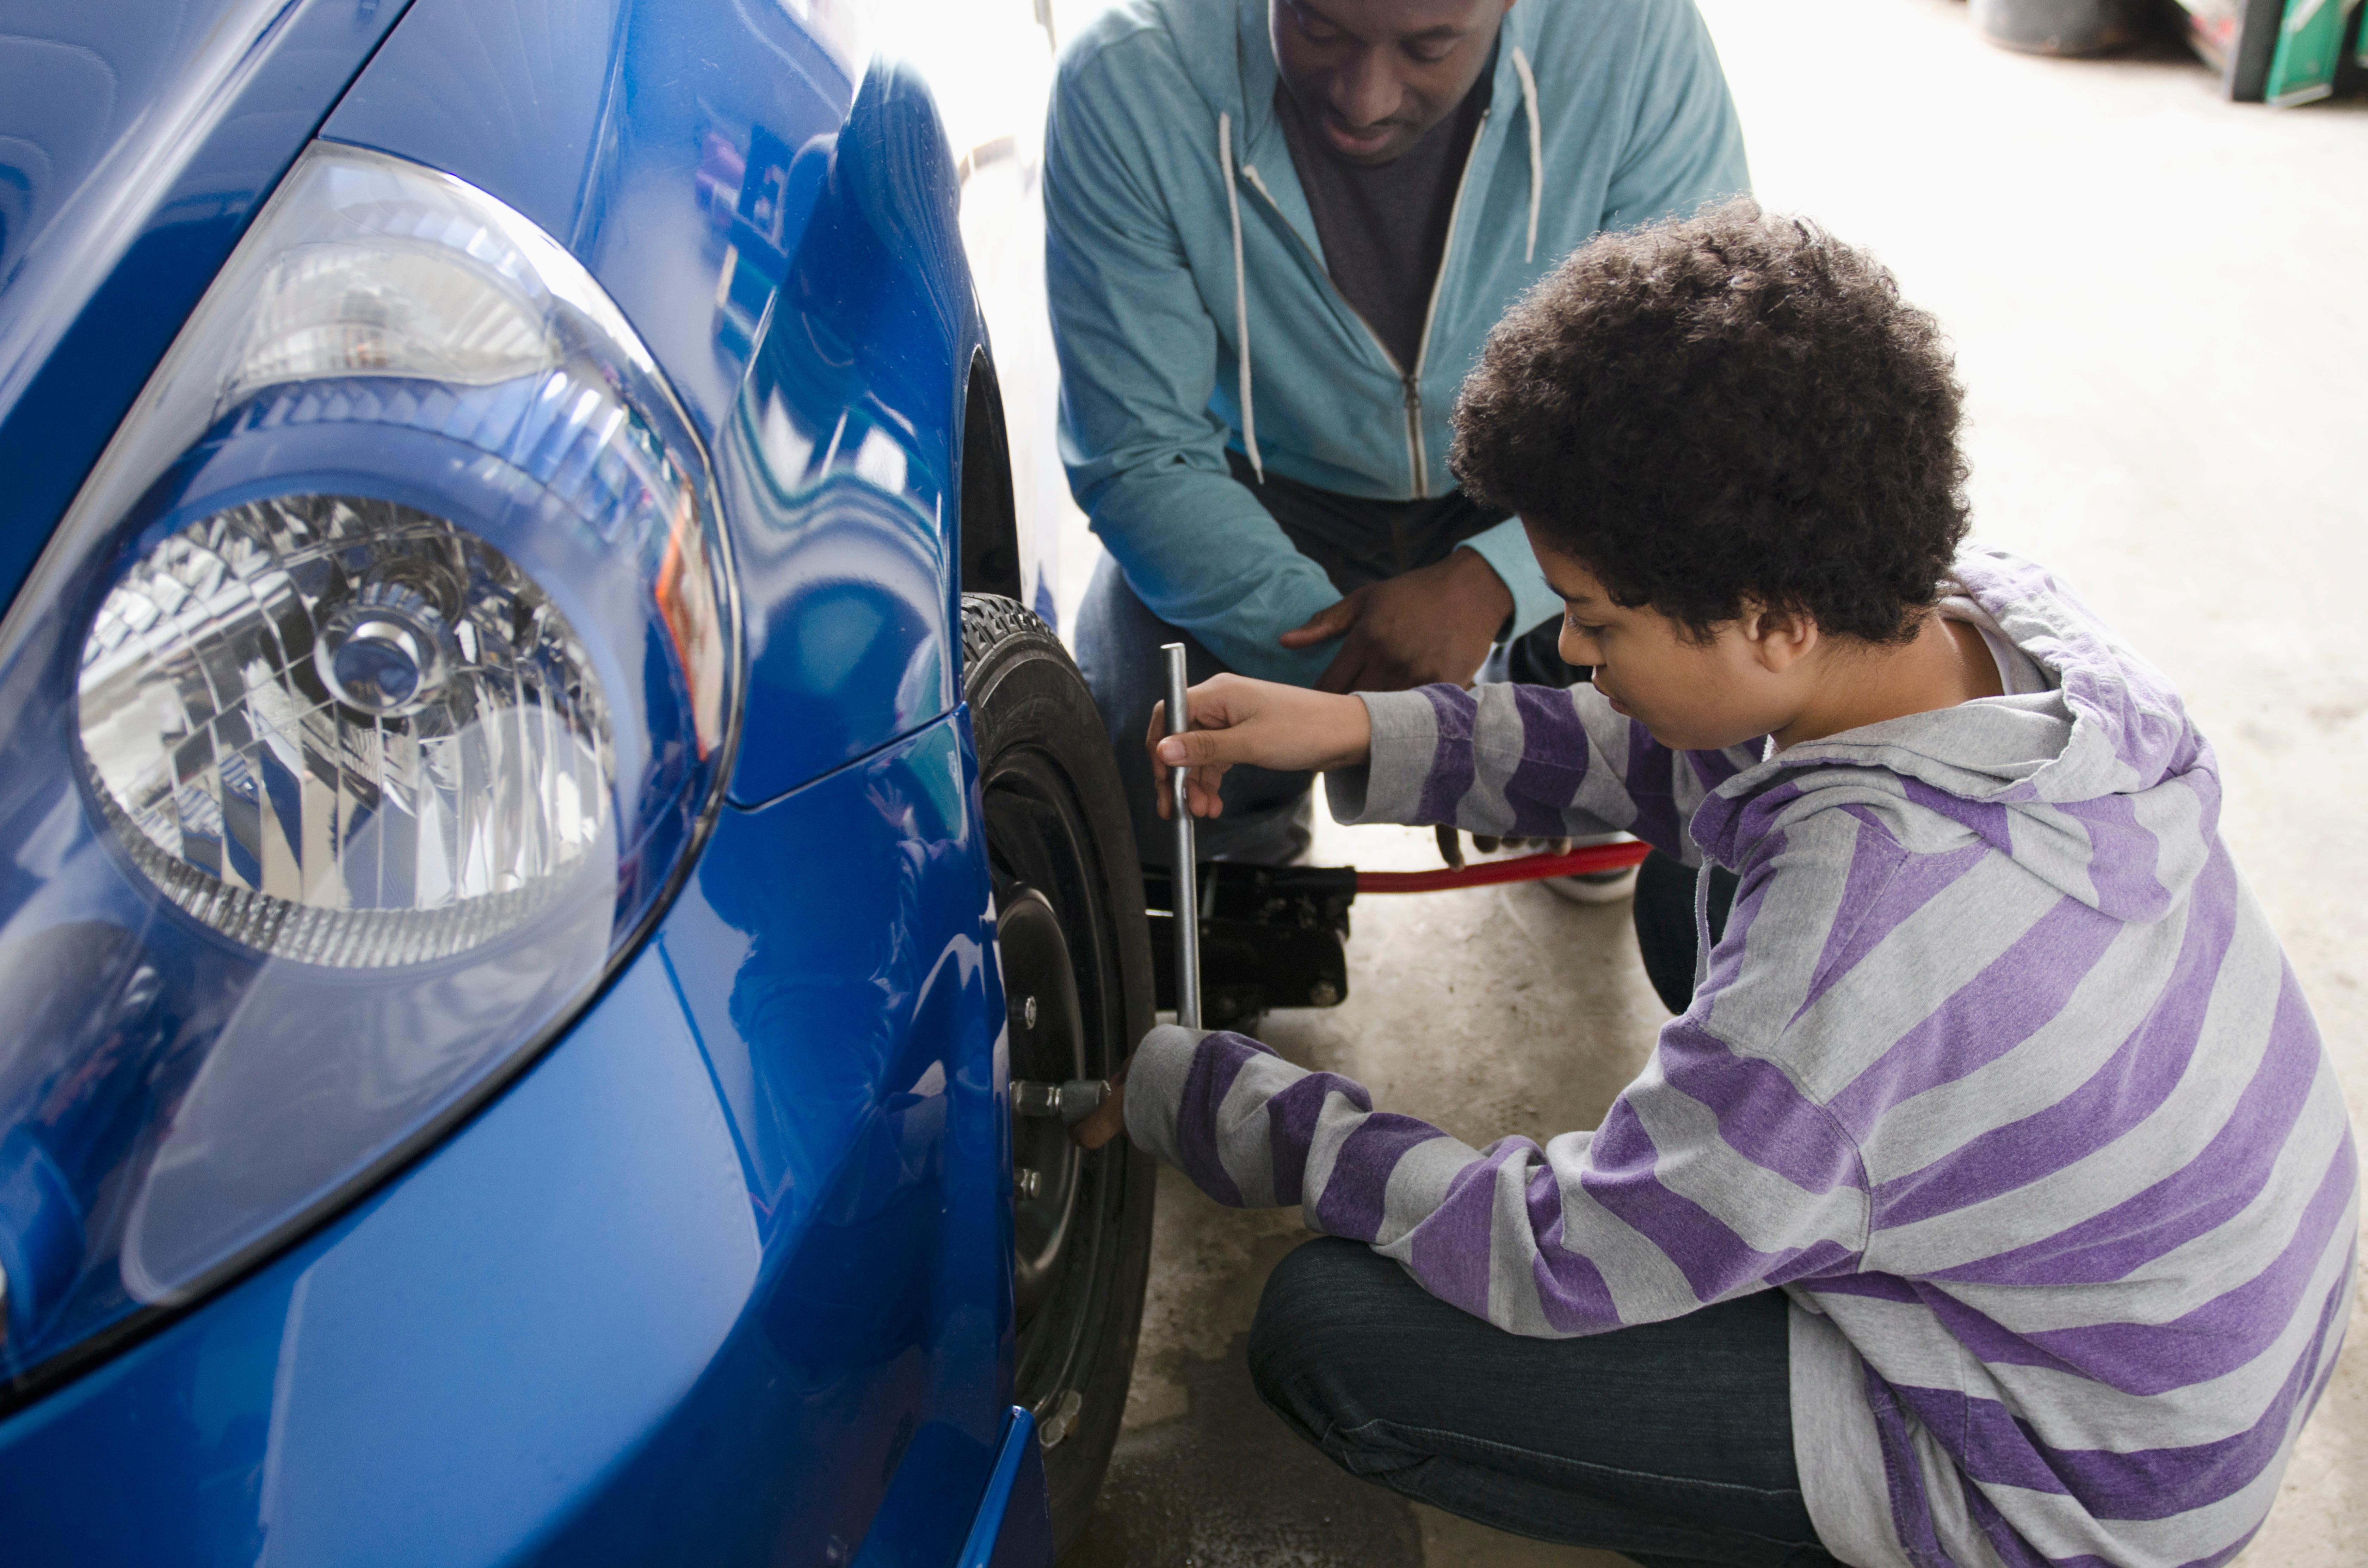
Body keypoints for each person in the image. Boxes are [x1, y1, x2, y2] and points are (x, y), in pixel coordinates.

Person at [1075, 205, 2359, 1568]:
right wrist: (1364, 733)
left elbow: (1565, 1259)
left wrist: (1221, 1102)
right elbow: (1699, 741)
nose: (1563, 647)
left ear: (1776, 620)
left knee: (1329, 1331)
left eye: (1596, 616)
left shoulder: (1859, 945)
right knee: (1702, 865)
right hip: (2207, 1329)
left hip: (2076, 1481)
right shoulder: (1987, 617)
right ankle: (1803, 1203)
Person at [1045, 0, 1747, 868]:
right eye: (1319, 27)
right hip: (1262, 487)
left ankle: (1584, 798)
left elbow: (1686, 400)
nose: (1366, 101)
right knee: (1145, 749)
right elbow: (1142, 451)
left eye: (1430, 44)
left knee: (1726, 700)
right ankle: (1247, 878)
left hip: (1552, 485)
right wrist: (1380, 705)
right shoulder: (1127, 76)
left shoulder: (1635, 33)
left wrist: (1496, 581)